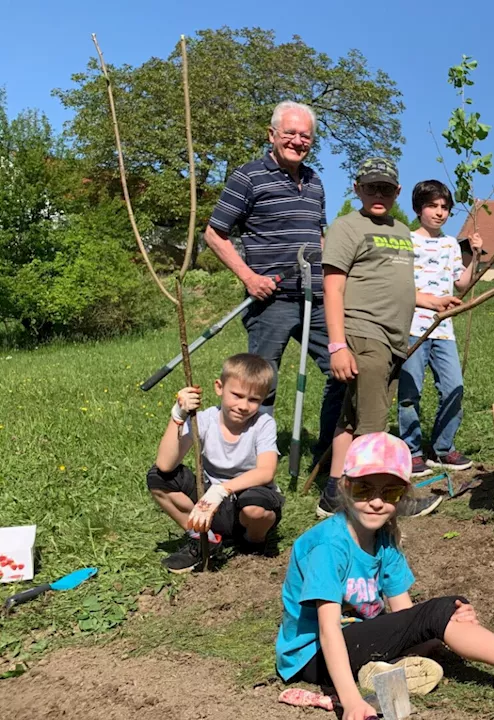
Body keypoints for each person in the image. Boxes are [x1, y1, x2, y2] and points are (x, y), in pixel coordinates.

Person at [274, 432, 494, 717]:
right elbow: (328, 629)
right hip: (314, 655)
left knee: (448, 614)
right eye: (364, 490)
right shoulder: (329, 545)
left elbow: (404, 615)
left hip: (357, 640)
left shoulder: (385, 539)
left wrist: (444, 628)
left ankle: (384, 671)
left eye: (388, 492)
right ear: (346, 487)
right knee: (440, 612)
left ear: (402, 495)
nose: (376, 502)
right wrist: (350, 702)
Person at [205, 101, 343, 465]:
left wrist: (332, 283)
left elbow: (318, 236)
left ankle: (329, 451)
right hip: (271, 300)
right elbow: (214, 234)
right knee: (260, 383)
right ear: (272, 135)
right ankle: (250, 458)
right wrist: (249, 278)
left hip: (314, 298)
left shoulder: (314, 181)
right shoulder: (248, 177)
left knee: (342, 368)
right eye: (290, 133)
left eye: (305, 136)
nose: (298, 141)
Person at [318, 158, 436, 519]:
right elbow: (333, 287)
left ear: (397, 191)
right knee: (373, 427)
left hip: (393, 340)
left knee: (351, 419)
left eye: (385, 188)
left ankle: (333, 493)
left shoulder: (402, 231)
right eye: (371, 188)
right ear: (357, 189)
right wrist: (338, 346)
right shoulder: (346, 227)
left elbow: (394, 284)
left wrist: (432, 301)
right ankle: (390, 498)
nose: (378, 194)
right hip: (364, 333)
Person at [146, 353, 285, 573]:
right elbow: (165, 464)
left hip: (248, 499)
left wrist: (222, 490)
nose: (243, 405)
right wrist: (178, 415)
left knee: (256, 508)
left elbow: (266, 471)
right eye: (237, 395)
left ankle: (252, 543)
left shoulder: (263, 424)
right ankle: (204, 538)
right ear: (219, 387)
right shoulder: (204, 420)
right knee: (158, 477)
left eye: (253, 400)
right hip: (210, 504)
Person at [397, 180, 484, 475]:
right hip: (413, 327)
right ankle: (411, 450)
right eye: (432, 206)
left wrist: (474, 254)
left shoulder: (450, 244)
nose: (439, 213)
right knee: (410, 392)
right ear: (418, 208)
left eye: (444, 207)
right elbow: (398, 285)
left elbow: (461, 283)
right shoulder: (407, 241)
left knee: (454, 387)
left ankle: (442, 448)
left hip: (443, 330)